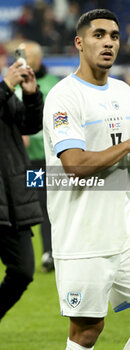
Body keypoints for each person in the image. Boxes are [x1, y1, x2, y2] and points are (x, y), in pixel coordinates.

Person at [43, 9, 130, 350]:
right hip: (82, 233)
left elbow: (129, 167)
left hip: (124, 225)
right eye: (99, 35)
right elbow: (74, 166)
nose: (108, 43)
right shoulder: (64, 97)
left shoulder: (124, 93)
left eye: (114, 36)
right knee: (87, 331)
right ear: (79, 42)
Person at [0, 59, 43, 321]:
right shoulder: (3, 88)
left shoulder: (5, 91)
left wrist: (30, 96)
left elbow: (30, 126)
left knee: (23, 271)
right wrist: (5, 87)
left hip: (12, 196)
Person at [18, 41, 59, 272]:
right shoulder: (13, 82)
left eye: (26, 55)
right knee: (21, 206)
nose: (22, 59)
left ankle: (49, 253)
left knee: (45, 206)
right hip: (17, 160)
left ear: (38, 58)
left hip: (43, 160)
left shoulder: (52, 85)